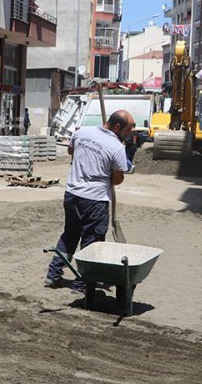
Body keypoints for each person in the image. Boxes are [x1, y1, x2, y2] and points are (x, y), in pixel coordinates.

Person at [45, 109, 135, 292]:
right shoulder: (116, 147)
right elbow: (117, 180)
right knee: (91, 242)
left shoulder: (81, 132)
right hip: (95, 200)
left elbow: (71, 150)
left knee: (69, 235)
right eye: (127, 131)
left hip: (72, 194)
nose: (128, 136)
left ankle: (53, 275)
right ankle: (82, 283)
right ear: (117, 127)